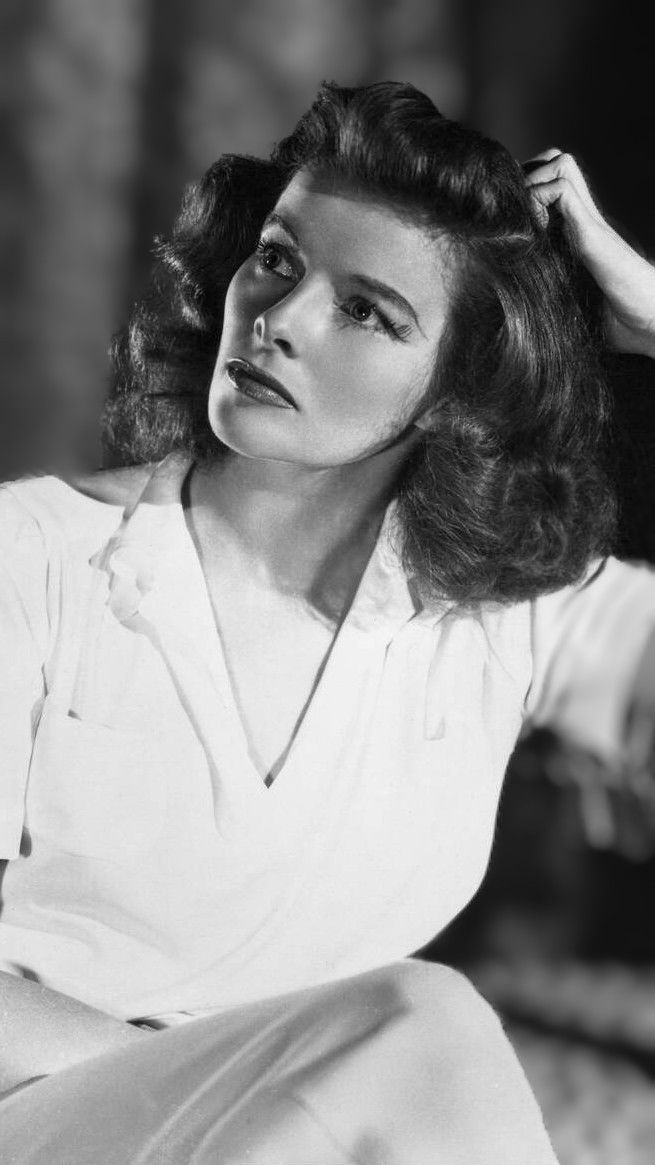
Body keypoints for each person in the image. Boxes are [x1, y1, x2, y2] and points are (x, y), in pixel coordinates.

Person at [0, 80, 654, 1164]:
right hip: (40, 1120)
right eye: (278, 259)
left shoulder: (504, 617)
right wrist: (275, 1078)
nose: (281, 319)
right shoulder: (32, 560)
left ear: (455, 386)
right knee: (424, 1026)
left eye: (366, 310)